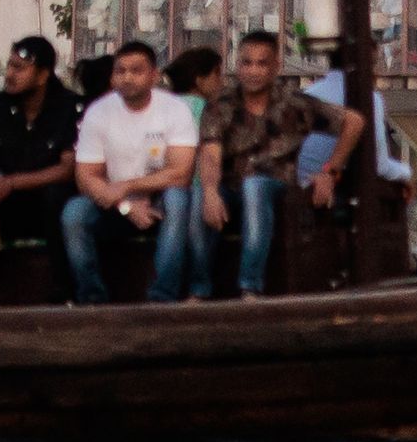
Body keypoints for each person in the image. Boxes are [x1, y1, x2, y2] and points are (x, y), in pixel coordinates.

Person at [204, 27, 360, 300]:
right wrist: (209, 192)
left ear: (276, 67)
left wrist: (330, 172)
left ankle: (250, 286)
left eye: (262, 63)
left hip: (275, 185)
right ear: (237, 65)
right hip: (230, 186)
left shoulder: (293, 103)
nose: (253, 71)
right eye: (246, 63)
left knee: (255, 186)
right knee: (195, 198)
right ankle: (197, 288)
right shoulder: (221, 105)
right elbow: (210, 154)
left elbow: (353, 122)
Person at [65, 39, 210, 303]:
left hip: (159, 199)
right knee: (74, 213)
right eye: (121, 71)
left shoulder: (174, 109)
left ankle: (162, 295)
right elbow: (85, 176)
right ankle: (92, 299)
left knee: (178, 199)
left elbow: (180, 173)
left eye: (136, 70)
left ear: (154, 75)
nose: (127, 77)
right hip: (113, 203)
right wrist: (124, 203)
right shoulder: (98, 113)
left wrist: (128, 186)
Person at [0, 34, 81, 285]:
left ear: (43, 74)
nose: (10, 75)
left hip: (44, 196)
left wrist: (11, 182)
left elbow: (68, 169)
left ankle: (63, 289)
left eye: (19, 68)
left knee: (59, 198)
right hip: (4, 198)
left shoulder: (70, 106)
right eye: (9, 66)